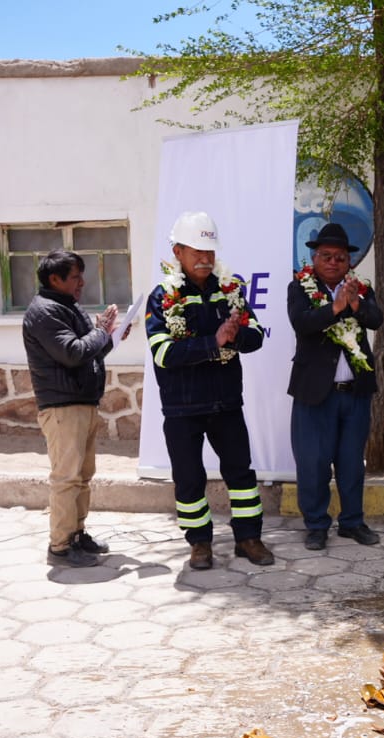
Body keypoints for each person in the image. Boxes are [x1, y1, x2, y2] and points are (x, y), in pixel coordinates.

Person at [145, 211, 273, 570]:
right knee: (189, 479)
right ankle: (199, 543)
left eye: (210, 251)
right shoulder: (162, 297)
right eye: (197, 251)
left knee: (241, 474)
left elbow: (256, 336)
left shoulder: (230, 290)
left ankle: (248, 539)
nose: (205, 258)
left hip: (226, 403)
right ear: (178, 252)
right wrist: (213, 343)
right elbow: (164, 353)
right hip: (182, 408)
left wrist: (236, 335)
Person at [287, 222, 384, 551]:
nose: (333, 262)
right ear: (314, 258)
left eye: (340, 257)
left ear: (349, 262)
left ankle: (352, 522)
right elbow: (302, 323)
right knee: (313, 463)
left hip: (354, 393)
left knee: (352, 463)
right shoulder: (299, 288)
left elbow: (376, 319)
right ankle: (316, 525)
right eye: (326, 256)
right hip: (315, 394)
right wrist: (336, 308)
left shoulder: (360, 288)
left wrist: (355, 305)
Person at [23, 249, 119, 568]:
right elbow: (73, 352)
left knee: (82, 476)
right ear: (55, 279)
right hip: (63, 408)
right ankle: (61, 547)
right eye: (75, 277)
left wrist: (109, 337)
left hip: (82, 402)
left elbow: (87, 351)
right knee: (66, 478)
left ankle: (77, 534)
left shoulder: (66, 307)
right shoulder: (44, 312)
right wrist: (101, 332)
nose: (82, 282)